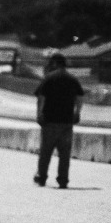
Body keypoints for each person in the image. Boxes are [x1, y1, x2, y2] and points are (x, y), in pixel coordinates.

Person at [34, 52, 84, 188]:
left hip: (50, 121)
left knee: (46, 151)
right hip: (67, 122)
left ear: (54, 63)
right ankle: (63, 179)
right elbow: (80, 98)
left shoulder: (49, 79)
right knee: (64, 153)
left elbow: (41, 97)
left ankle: (42, 177)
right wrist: (77, 112)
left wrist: (39, 113)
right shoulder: (73, 79)